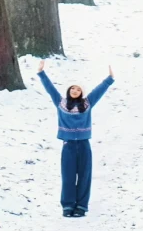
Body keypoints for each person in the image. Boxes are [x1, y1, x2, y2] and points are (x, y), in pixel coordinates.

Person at [36, 61, 114, 218]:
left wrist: (109, 79)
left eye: (78, 89)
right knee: (68, 176)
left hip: (84, 144)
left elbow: (99, 90)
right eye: (72, 88)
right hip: (68, 145)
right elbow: (50, 88)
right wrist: (41, 73)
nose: (75, 90)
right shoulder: (61, 103)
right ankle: (68, 205)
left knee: (84, 175)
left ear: (81, 92)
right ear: (68, 90)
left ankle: (81, 206)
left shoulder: (87, 103)